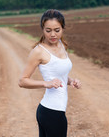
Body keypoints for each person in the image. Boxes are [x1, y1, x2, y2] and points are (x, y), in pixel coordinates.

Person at [18, 9, 82, 137]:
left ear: (62, 28)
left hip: (54, 110)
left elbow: (60, 74)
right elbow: (22, 81)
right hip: (51, 112)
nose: (53, 35)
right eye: (48, 31)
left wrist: (71, 81)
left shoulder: (61, 45)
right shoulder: (39, 51)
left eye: (57, 30)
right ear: (43, 29)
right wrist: (46, 83)